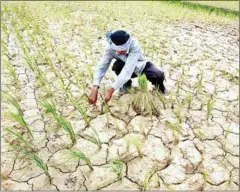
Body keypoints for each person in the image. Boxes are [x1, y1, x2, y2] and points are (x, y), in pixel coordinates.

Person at [88, 30, 166, 104]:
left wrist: (111, 89)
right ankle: (126, 84)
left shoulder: (134, 45)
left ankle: (160, 89)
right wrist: (95, 86)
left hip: (141, 65)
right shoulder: (110, 47)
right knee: (117, 66)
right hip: (124, 65)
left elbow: (127, 70)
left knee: (158, 75)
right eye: (116, 50)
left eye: (122, 50)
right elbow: (102, 65)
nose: (118, 53)